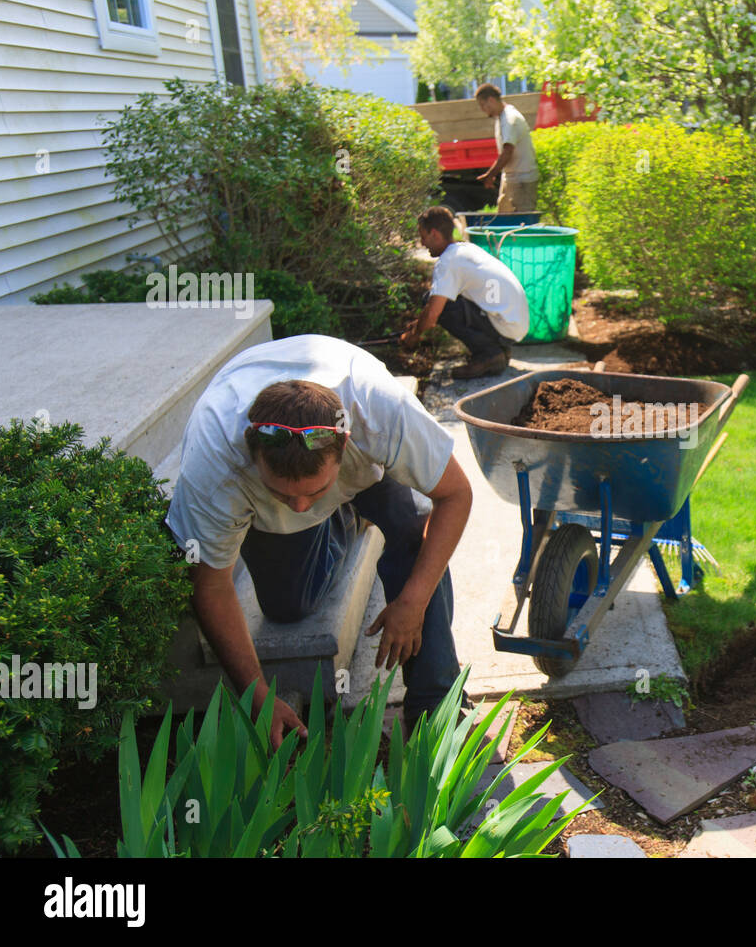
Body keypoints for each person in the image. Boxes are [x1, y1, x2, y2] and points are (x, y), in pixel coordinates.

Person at [166, 335, 473, 747]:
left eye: (315, 491)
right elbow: (212, 584)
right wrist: (257, 693)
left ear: (345, 444)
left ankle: (437, 704)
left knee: (409, 528)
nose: (299, 505)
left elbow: (455, 494)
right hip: (279, 512)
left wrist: (412, 602)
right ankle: (344, 520)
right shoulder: (214, 462)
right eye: (283, 493)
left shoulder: (377, 411)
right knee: (288, 607)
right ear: (251, 454)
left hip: (368, 478)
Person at [400, 205, 529, 378]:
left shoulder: (448, 261)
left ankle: (489, 355)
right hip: (513, 324)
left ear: (434, 234)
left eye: (423, 237)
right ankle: (498, 352)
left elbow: (432, 315)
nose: (422, 243)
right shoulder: (466, 249)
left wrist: (414, 335)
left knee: (434, 304)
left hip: (504, 325)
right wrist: (418, 323)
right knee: (439, 300)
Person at [475, 83, 539, 213]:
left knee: (522, 223)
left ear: (491, 100)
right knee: (505, 218)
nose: (482, 110)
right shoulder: (501, 117)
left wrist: (490, 175)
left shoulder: (510, 119)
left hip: (522, 180)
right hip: (511, 178)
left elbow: (508, 151)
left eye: (482, 105)